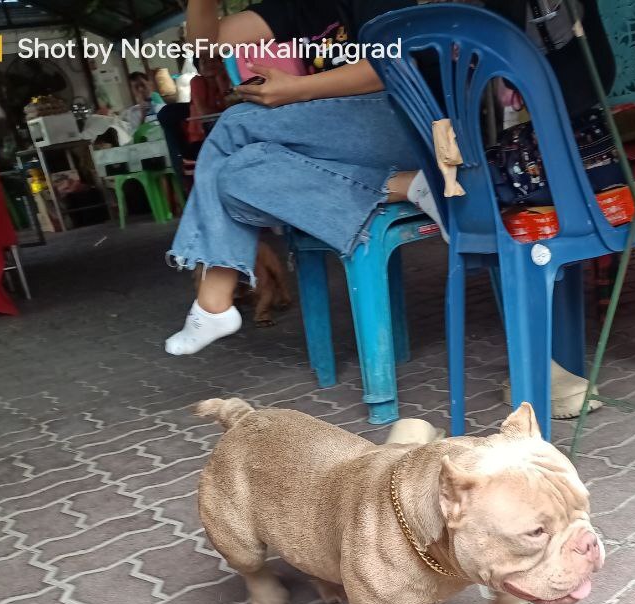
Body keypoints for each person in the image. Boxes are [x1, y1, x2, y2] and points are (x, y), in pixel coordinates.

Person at [164, 0, 433, 355]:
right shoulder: (302, 7)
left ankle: (214, 299)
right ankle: (407, 185)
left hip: (410, 122)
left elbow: (387, 67)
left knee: (234, 124)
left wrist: (296, 90)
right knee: (234, 175)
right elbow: (205, 45)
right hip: (356, 135)